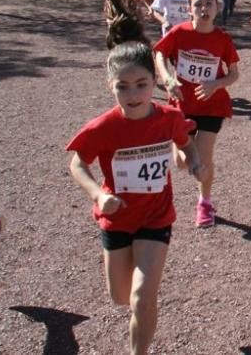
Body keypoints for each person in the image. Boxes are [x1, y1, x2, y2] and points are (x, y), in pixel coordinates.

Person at [67, 42, 203, 355]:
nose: (133, 95)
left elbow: (187, 144)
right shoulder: (103, 127)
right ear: (110, 86)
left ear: (153, 83)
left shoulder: (169, 118)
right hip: (117, 218)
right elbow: (77, 164)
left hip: (156, 216)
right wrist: (98, 194)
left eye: (141, 85)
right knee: (121, 297)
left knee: (143, 298)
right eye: (123, 87)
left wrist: (193, 160)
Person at [153, 0, 240, 228]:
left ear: (216, 7)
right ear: (189, 9)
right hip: (183, 103)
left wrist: (216, 83)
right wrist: (167, 78)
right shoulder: (179, 33)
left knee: (203, 158)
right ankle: (184, 154)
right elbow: (159, 54)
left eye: (209, 3)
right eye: (198, 4)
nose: (204, 8)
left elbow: (234, 74)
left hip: (212, 105)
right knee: (182, 162)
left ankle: (205, 202)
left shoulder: (222, 39)